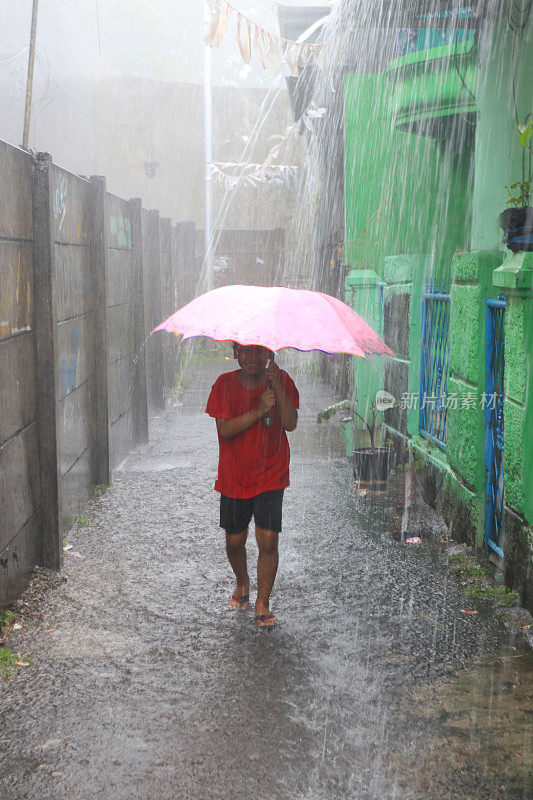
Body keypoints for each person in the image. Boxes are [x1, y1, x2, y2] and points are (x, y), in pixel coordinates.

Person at [206, 343, 299, 629]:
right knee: (235, 541)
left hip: (271, 471)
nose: (251, 358)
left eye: (259, 351)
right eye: (245, 351)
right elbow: (225, 429)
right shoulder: (223, 385)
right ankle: (242, 581)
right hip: (235, 475)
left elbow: (291, 423)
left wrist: (277, 387)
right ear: (235, 352)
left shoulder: (280, 380)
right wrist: (260, 409)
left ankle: (262, 602)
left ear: (269, 353)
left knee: (268, 539)